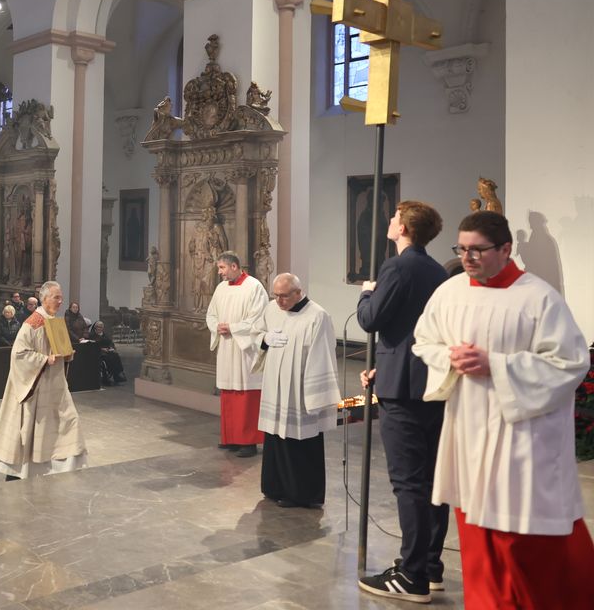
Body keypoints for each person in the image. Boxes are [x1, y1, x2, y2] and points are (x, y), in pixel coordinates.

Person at [406, 211, 594, 607]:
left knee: (522, 535)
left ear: (506, 249)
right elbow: (424, 340)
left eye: (477, 250)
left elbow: (570, 363)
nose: (467, 257)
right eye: (462, 249)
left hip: (521, 434)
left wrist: (497, 364)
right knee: (475, 529)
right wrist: (450, 357)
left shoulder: (539, 298)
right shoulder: (450, 291)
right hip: (468, 428)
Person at [354, 201, 450, 599]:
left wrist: (366, 294)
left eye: (394, 217)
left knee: (409, 482)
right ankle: (429, 566)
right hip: (429, 381)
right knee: (432, 481)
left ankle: (411, 577)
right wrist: (386, 365)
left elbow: (371, 319)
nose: (390, 222)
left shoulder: (397, 267)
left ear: (405, 227)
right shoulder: (437, 271)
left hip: (403, 390)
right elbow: (415, 329)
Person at [251, 273, 339, 509]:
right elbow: (256, 333)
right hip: (275, 386)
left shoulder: (317, 316)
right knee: (275, 436)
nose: (279, 301)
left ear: (298, 293)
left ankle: (301, 494)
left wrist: (314, 395)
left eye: (284, 296)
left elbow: (322, 356)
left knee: (299, 440)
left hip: (299, 390)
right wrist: (265, 338)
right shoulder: (272, 309)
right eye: (276, 296)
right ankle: (274, 486)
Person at [0, 281, 87, 479]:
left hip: (56, 386)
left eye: (61, 297)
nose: (60, 301)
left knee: (69, 422)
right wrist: (44, 359)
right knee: (32, 431)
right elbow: (19, 354)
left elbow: (60, 350)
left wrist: (67, 355)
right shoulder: (32, 323)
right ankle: (22, 472)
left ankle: (59, 468)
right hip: (36, 387)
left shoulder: (56, 322)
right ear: (44, 299)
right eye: (56, 297)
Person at [204, 251, 268, 457]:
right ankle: (230, 438)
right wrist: (217, 326)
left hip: (244, 349)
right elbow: (211, 314)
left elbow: (258, 319)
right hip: (226, 346)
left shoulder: (254, 287)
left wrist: (232, 328)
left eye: (222, 268)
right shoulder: (221, 288)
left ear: (234, 266)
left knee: (246, 394)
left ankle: (248, 442)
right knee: (228, 392)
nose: (220, 272)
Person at [89, 321, 126, 385]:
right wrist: (102, 349)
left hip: (108, 351)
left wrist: (112, 348)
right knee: (108, 359)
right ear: (95, 327)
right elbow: (92, 346)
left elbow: (111, 343)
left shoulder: (105, 335)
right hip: (98, 353)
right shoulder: (92, 335)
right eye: (98, 327)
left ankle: (117, 374)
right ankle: (107, 378)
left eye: (101, 327)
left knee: (115, 356)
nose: (99, 328)